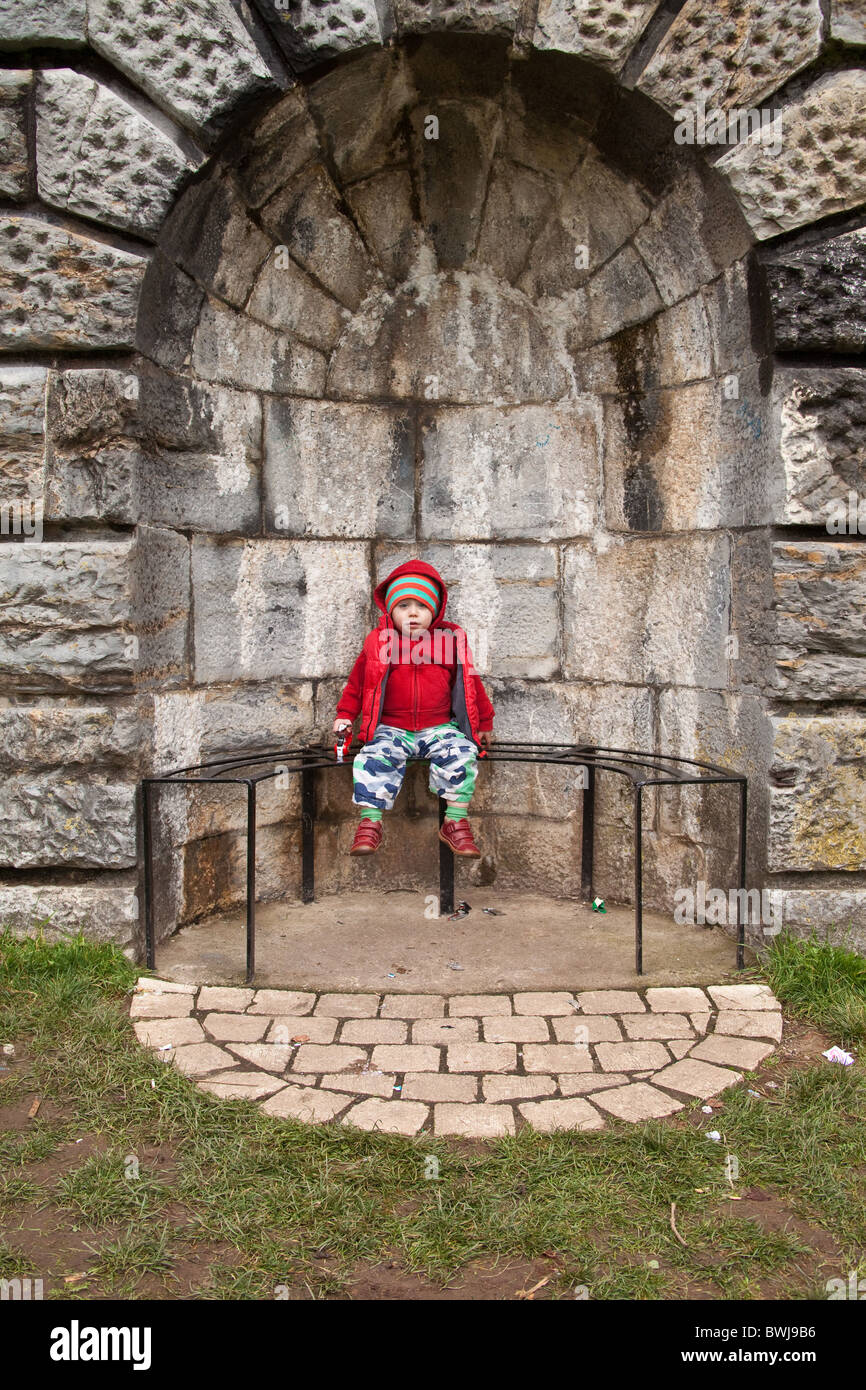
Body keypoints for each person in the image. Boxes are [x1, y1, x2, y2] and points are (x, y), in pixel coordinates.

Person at [333, 559, 494, 857]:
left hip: (439, 728)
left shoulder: (449, 643)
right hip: (392, 729)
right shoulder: (379, 643)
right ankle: (370, 823)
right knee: (373, 757)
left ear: (433, 611)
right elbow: (358, 684)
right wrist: (345, 716)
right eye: (403, 606)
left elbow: (471, 685)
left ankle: (455, 822)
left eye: (421, 605)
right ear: (390, 612)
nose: (412, 613)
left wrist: (483, 723)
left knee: (461, 755)